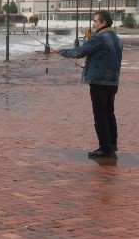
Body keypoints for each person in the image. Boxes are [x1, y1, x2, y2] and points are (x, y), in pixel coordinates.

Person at [51, 10, 122, 158]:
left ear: (103, 23)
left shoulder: (99, 38)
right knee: (109, 113)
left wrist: (60, 51)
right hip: (112, 82)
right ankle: (112, 144)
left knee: (100, 115)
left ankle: (105, 149)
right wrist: (89, 40)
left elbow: (79, 52)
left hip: (99, 82)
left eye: (95, 21)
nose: (93, 24)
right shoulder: (116, 38)